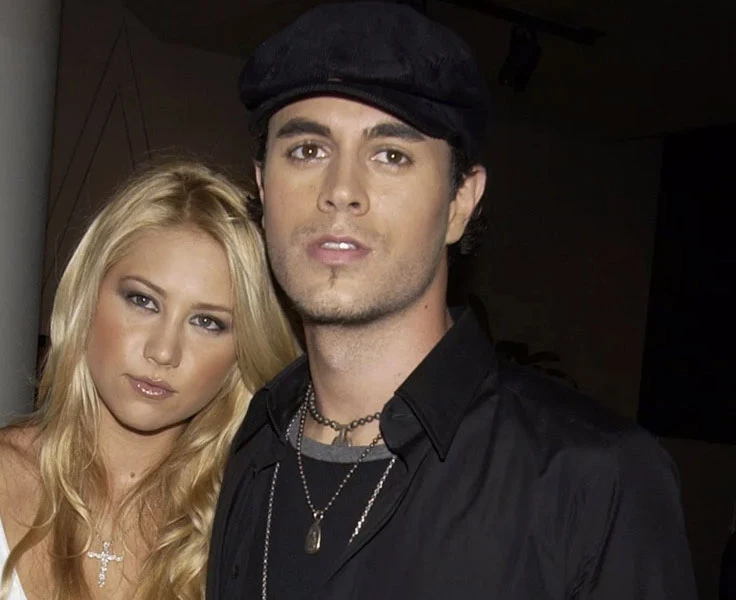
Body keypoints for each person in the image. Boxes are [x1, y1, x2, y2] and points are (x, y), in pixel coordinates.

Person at [206, 3, 697, 598]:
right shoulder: (250, 441)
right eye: (308, 150)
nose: (341, 190)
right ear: (263, 187)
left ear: (461, 202)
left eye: (391, 155)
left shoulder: (596, 477)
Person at [0, 161, 300, 600]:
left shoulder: (262, 519)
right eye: (143, 301)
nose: (163, 351)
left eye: (208, 322)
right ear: (88, 294)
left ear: (243, 349)